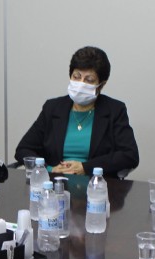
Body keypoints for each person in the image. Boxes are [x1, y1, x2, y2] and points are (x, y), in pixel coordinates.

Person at [15, 46, 139, 177]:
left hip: (96, 186)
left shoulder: (115, 110)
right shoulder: (53, 108)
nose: (81, 83)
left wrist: (85, 167)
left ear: (101, 85)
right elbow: (23, 149)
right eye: (76, 77)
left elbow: (130, 155)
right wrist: (49, 169)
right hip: (54, 184)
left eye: (89, 80)